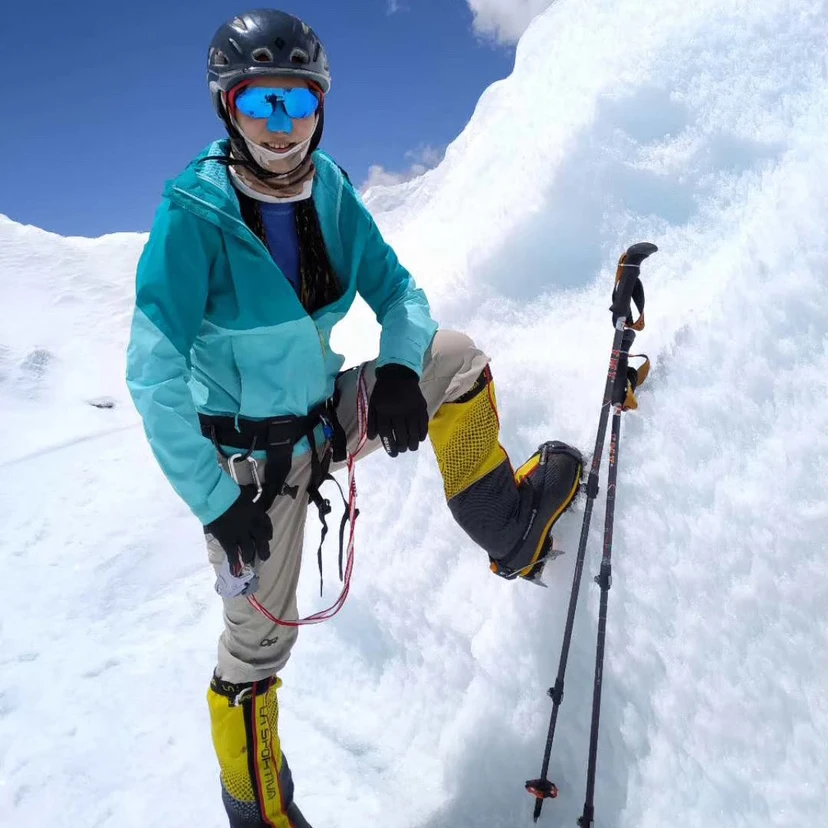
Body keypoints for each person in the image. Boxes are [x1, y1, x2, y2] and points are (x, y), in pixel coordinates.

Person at [125, 9, 583, 827]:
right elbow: (152, 372)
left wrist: (404, 367)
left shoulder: (330, 191)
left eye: (296, 103)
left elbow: (400, 292)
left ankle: (510, 531)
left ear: (320, 106)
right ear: (227, 107)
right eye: (260, 104)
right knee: (254, 654)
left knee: (456, 359)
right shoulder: (192, 215)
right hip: (247, 476)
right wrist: (214, 503)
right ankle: (261, 817)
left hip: (323, 420)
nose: (281, 127)